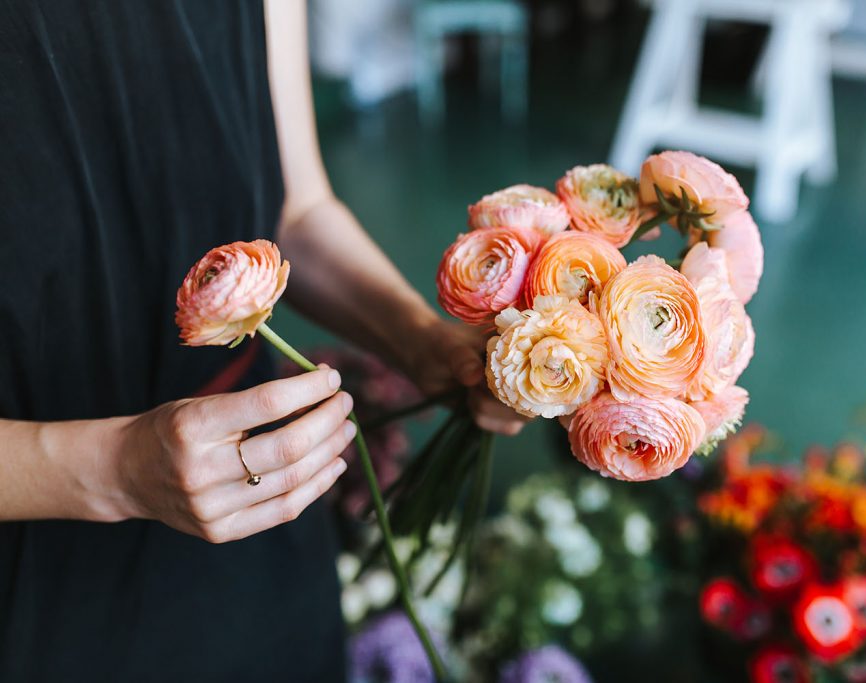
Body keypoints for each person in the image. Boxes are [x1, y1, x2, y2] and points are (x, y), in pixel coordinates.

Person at [0, 1, 526, 680]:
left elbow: (294, 213)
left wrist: (422, 341)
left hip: (258, 518)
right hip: (39, 570)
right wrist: (117, 470)